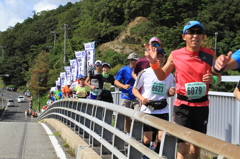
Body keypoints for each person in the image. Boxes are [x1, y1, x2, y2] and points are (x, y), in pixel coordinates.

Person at [145, 21, 222, 159]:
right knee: (183, 146)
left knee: (195, 148)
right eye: (191, 32)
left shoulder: (210, 54)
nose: (195, 36)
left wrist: (213, 79)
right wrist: (153, 62)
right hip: (182, 106)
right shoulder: (175, 55)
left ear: (203, 36)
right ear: (183, 36)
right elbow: (162, 75)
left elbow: (218, 77)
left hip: (202, 106)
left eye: (198, 32)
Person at [132, 48, 175, 157]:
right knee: (147, 139)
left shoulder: (169, 75)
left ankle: (156, 155)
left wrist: (171, 92)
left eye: (162, 56)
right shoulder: (145, 73)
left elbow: (170, 92)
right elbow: (135, 89)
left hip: (163, 109)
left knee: (161, 137)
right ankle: (145, 156)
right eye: (157, 56)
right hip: (148, 109)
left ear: (165, 59)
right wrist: (142, 99)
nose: (159, 59)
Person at [114, 53, 140, 135]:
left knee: (137, 117)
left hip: (137, 96)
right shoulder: (124, 70)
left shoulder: (141, 70)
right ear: (129, 61)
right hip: (126, 96)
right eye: (132, 60)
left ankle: (136, 135)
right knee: (126, 117)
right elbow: (116, 81)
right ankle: (128, 134)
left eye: (135, 60)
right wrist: (123, 86)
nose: (133, 61)